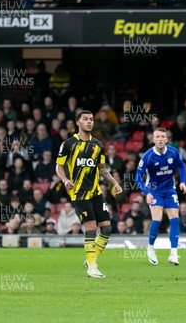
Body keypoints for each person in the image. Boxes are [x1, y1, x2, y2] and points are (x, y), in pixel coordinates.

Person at [56, 111, 123, 278]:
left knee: (106, 228)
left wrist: (114, 183)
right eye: (85, 119)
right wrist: (65, 180)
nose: (89, 122)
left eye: (91, 119)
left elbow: (102, 169)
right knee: (91, 227)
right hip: (79, 194)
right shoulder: (69, 144)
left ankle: (91, 258)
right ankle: (92, 267)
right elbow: (59, 167)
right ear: (78, 122)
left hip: (96, 193)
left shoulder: (98, 145)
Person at [135, 128, 186, 266]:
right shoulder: (148, 156)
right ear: (153, 140)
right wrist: (147, 193)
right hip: (155, 190)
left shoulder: (173, 152)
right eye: (157, 136)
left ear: (166, 139)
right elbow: (137, 177)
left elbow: (182, 166)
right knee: (157, 221)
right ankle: (151, 248)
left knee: (175, 220)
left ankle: (174, 253)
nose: (160, 139)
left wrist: (182, 181)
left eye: (162, 136)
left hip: (170, 189)